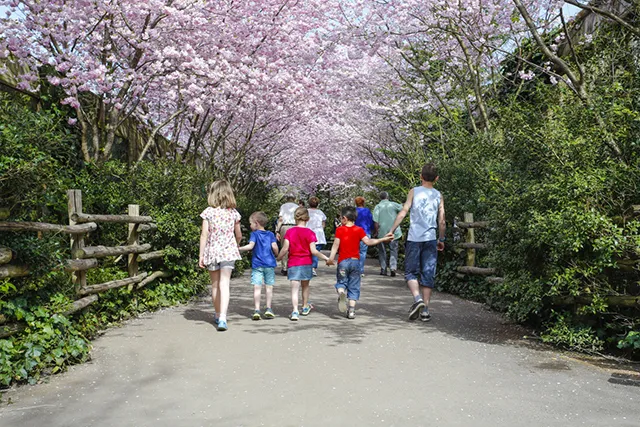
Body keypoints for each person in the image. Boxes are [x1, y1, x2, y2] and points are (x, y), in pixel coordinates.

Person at [389, 163, 446, 322]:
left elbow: (404, 211)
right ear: (436, 178)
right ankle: (425, 310)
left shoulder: (414, 191)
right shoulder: (438, 195)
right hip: (430, 238)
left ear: (421, 176)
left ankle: (417, 299)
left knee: (410, 272)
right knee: (428, 273)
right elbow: (442, 220)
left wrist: (392, 230)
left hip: (414, 237)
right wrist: (441, 239)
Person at [198, 180, 242, 332]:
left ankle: (217, 314)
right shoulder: (234, 213)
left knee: (215, 285)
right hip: (228, 252)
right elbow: (239, 235)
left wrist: (201, 255)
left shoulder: (208, 212)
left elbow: (204, 235)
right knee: (225, 284)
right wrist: (235, 244)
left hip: (212, 252)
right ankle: (223, 317)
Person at [277, 207, 332, 321]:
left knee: (294, 289)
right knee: (305, 287)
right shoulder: (310, 233)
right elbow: (314, 251)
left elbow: (285, 248)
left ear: (295, 218)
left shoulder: (290, 232)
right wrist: (326, 258)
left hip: (293, 263)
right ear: (307, 219)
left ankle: (295, 311)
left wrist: (278, 258)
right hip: (306, 263)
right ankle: (305, 306)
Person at [238, 211, 279, 321]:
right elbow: (275, 247)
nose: (250, 226)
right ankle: (268, 308)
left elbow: (250, 246)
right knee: (269, 287)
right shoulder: (270, 234)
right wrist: (277, 255)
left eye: (251, 223)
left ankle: (257, 310)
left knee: (257, 287)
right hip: (269, 264)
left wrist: (239, 249)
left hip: (257, 265)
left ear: (256, 223)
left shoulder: (254, 234)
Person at [373, 191, 403, 277]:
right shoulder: (393, 204)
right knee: (393, 250)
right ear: (387, 197)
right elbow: (403, 210)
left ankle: (383, 269)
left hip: (382, 232)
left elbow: (376, 221)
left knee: (382, 251)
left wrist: (376, 231)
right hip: (394, 232)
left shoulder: (378, 206)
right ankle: (393, 267)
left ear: (380, 198)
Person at [275, 194, 299, 275]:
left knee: (284, 246)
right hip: (295, 227)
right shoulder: (297, 207)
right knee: (294, 247)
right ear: (294, 199)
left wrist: (277, 230)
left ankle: (284, 267)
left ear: (287, 199)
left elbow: (281, 219)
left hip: (285, 227)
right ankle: (292, 266)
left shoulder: (283, 206)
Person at [307, 196, 327, 277]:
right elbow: (323, 224)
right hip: (318, 234)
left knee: (308, 251)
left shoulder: (306, 212)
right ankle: (313, 268)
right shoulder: (321, 213)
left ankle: (307, 267)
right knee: (316, 252)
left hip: (308, 233)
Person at [354, 196, 374, 276]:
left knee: (354, 251)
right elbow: (371, 221)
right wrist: (373, 230)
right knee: (363, 252)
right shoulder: (367, 211)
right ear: (363, 202)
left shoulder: (353, 211)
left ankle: (354, 269)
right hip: (365, 232)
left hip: (354, 232)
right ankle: (360, 270)